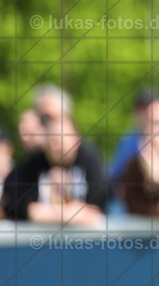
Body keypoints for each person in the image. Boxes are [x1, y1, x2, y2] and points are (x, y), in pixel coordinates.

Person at [2, 85, 107, 226]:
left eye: (49, 117)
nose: (44, 124)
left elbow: (96, 206)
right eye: (41, 118)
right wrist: (62, 214)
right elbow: (14, 204)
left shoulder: (88, 158)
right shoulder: (33, 162)